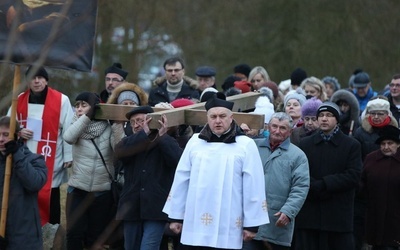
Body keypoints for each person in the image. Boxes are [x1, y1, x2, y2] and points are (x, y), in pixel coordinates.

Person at [163, 94, 269, 249]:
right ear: (207, 118)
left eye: (222, 116)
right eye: (213, 116)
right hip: (195, 220)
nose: (217, 121)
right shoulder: (195, 142)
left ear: (231, 117)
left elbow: (253, 185)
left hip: (229, 220)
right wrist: (175, 216)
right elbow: (182, 179)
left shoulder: (245, 145)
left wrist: (252, 224)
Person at [113, 106, 183, 249]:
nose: (137, 125)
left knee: (149, 246)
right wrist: (144, 133)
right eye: (133, 122)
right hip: (131, 207)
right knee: (131, 247)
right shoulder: (128, 142)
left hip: (155, 208)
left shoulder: (166, 141)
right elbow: (120, 154)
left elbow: (177, 160)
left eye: (141, 120)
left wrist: (163, 137)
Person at [296, 102, 362, 250]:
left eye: (329, 115)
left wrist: (325, 184)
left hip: (338, 216)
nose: (324, 119)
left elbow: (353, 175)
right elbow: (299, 173)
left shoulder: (351, 145)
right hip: (310, 216)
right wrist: (313, 186)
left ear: (337, 120)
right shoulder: (305, 144)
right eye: (321, 116)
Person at [13, 65, 73, 225]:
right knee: (26, 192)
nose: (37, 81)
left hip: (51, 155)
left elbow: (69, 129)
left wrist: (69, 155)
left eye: (40, 77)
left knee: (50, 195)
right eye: (33, 77)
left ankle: (51, 232)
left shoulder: (62, 100)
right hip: (26, 155)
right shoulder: (19, 99)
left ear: (46, 80)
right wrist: (19, 131)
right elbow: (9, 124)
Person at [63, 92, 124, 250]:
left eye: (84, 105)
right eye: (77, 105)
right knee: (73, 234)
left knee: (95, 237)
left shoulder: (107, 127)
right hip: (77, 189)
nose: (79, 109)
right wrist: (87, 116)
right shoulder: (76, 124)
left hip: (101, 192)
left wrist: (117, 124)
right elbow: (68, 137)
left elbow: (119, 151)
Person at [243, 112, 309, 250]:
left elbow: (300, 187)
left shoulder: (298, 156)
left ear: (290, 131)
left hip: (277, 222)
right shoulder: (252, 147)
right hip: (248, 221)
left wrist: (288, 211)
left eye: (283, 128)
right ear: (268, 127)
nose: (277, 131)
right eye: (274, 126)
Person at [0, 116, 47, 249]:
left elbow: (34, 183)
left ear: (18, 135)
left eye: (5, 134)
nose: (1, 139)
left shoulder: (34, 159)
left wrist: (17, 155)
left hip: (24, 237)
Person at [360, 125, 400, 249]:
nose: (386, 147)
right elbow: (362, 184)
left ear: (398, 144)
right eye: (383, 143)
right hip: (374, 216)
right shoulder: (371, 159)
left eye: (390, 143)